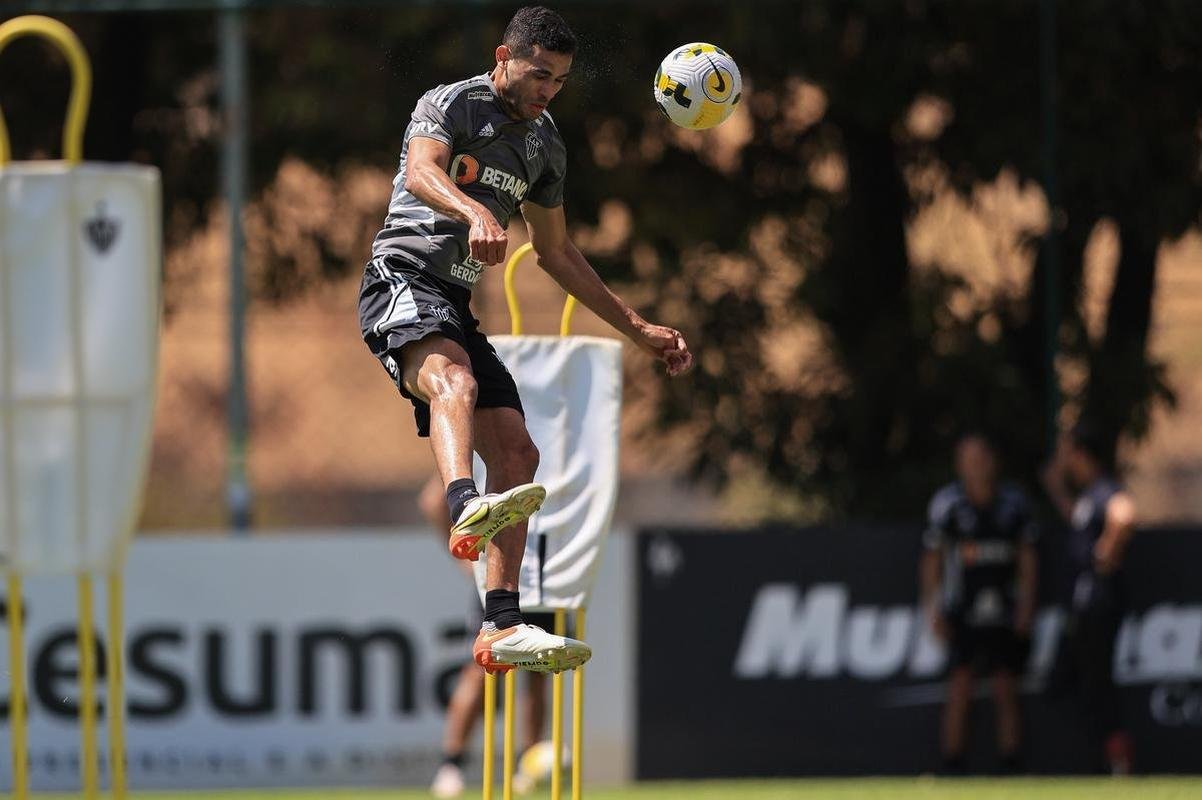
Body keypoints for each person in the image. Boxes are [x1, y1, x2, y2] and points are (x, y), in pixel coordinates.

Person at [358, 5, 692, 673]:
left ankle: (502, 625)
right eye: (540, 74)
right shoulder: (451, 103)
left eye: (561, 81)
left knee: (518, 452)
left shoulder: (544, 144)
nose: (548, 91)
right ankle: (462, 505)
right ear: (503, 56)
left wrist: (639, 329)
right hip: (400, 276)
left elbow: (558, 252)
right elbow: (422, 171)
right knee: (457, 382)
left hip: (451, 301)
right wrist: (473, 207)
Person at [421, 476, 552, 798]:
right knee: (482, 667)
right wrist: (464, 558)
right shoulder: (495, 446)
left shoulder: (544, 448)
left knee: (539, 667)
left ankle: (528, 766)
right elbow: (432, 500)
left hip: (546, 571)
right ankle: (451, 764)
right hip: (498, 575)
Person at [921, 432, 1038, 774]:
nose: (974, 467)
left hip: (1003, 606)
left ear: (993, 461)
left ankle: (1011, 763)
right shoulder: (949, 505)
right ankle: (953, 763)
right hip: (962, 609)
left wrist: (1027, 603)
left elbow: (1028, 557)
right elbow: (932, 560)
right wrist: (933, 607)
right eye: (967, 460)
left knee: (1006, 684)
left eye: (980, 459)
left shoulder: (1014, 503)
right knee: (959, 684)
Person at [1042, 419, 1137, 775]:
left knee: (1097, 682)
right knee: (1070, 680)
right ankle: (1102, 759)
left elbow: (1125, 513)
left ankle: (1117, 762)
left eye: (1069, 453)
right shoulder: (1086, 500)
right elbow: (1077, 515)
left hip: (1099, 604)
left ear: (1082, 455)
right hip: (1083, 607)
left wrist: (1107, 550)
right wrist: (1055, 484)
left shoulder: (1104, 490)